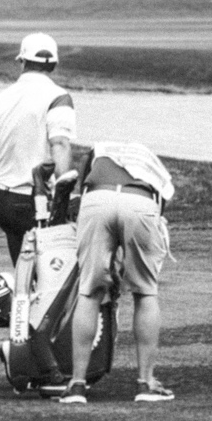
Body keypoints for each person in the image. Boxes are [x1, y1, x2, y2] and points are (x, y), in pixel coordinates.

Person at [57, 140, 176, 404]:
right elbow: (161, 204)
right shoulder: (151, 161)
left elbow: (83, 187)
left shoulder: (99, 150)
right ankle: (146, 383)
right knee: (145, 292)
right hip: (140, 201)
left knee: (89, 292)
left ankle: (76, 385)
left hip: (97, 199)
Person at [0, 32, 77, 264]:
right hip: (38, 203)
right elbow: (60, 144)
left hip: (5, 202)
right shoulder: (58, 97)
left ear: (22, 61)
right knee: (53, 276)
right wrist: (67, 197)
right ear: (54, 64)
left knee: (24, 275)